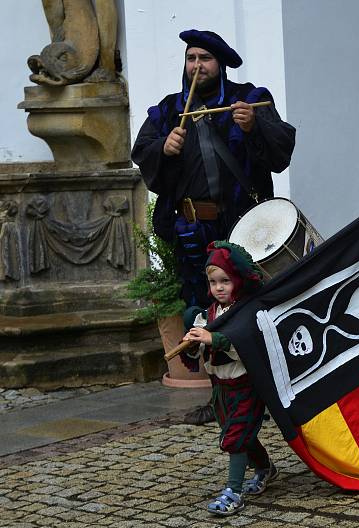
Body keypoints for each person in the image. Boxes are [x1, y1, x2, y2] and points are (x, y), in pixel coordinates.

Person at [132, 29, 296, 425]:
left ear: (219, 63)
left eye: (204, 58)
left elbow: (282, 151)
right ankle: (221, 398)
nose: (197, 66)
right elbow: (143, 155)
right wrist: (163, 150)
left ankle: (270, 393)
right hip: (194, 231)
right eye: (191, 58)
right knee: (205, 313)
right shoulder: (167, 111)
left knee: (253, 308)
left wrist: (255, 126)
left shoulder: (251, 99)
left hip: (242, 225)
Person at [181, 241, 278, 516]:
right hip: (221, 388)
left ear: (237, 280)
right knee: (239, 435)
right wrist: (192, 344)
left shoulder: (248, 311)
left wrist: (215, 338)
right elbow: (201, 349)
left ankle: (233, 492)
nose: (218, 287)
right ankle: (265, 468)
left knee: (235, 436)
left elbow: (248, 344)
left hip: (247, 385)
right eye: (213, 282)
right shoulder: (209, 314)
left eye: (225, 281)